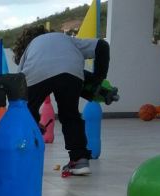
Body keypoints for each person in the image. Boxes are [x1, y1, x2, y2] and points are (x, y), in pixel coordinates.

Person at [13, 25, 111, 176]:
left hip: (36, 72)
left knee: (25, 112)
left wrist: (33, 122)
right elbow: (102, 45)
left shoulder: (30, 48)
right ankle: (79, 160)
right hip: (71, 70)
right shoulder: (66, 39)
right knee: (70, 115)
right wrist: (98, 79)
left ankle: (26, 158)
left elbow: (19, 90)